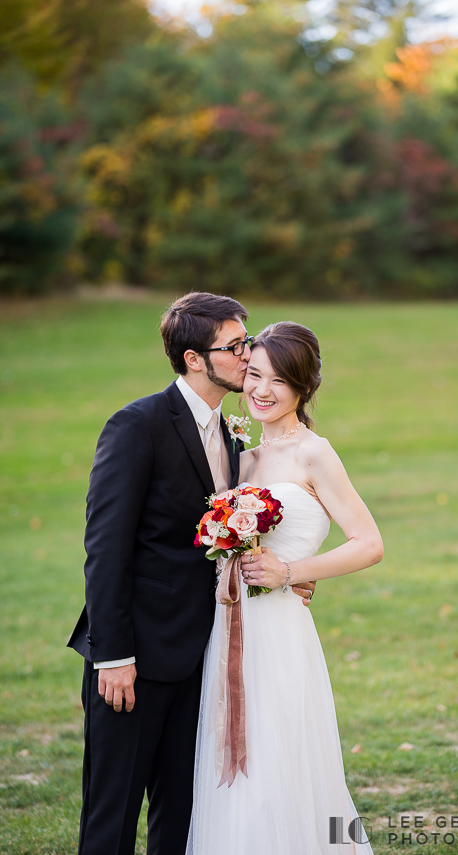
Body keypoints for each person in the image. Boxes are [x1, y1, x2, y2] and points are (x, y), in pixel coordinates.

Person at [67, 294, 315, 855]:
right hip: (135, 662)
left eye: (245, 340)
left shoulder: (231, 437)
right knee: (112, 816)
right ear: (194, 359)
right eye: (234, 347)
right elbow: (106, 549)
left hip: (204, 660)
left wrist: (286, 570)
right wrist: (113, 656)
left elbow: (227, 539)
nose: (247, 355)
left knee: (181, 818)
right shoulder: (138, 425)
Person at [187, 322, 384, 854]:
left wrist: (293, 574)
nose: (261, 390)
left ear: (302, 387)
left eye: (279, 380)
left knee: (281, 761)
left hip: (280, 633)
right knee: (230, 764)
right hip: (227, 632)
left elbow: (369, 543)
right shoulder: (241, 458)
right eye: (253, 375)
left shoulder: (314, 453)